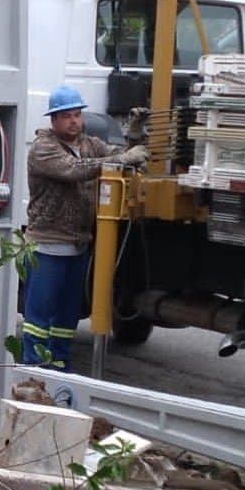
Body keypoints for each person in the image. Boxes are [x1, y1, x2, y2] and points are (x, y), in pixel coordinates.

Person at [22, 84, 148, 370]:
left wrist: (135, 135)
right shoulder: (43, 149)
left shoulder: (90, 144)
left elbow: (126, 157)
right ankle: (32, 372)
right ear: (54, 119)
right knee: (39, 318)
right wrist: (120, 159)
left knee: (66, 319)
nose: (74, 121)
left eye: (77, 115)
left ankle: (60, 367)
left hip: (78, 246)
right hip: (47, 246)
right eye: (67, 116)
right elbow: (75, 169)